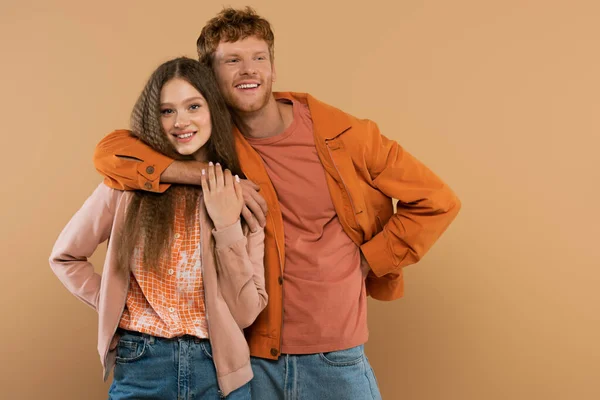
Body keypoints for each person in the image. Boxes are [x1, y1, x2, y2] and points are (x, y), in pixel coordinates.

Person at [93, 7, 462, 399]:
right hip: (251, 357)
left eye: (258, 58)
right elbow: (109, 154)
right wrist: (198, 175)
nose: (248, 70)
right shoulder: (206, 142)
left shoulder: (343, 135)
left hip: (334, 355)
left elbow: (437, 200)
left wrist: (369, 260)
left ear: (272, 67)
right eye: (232, 61)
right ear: (209, 77)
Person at [50, 57, 267, 399]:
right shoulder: (123, 188)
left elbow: (245, 312)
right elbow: (65, 258)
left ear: (214, 109)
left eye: (193, 106)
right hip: (141, 367)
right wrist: (115, 303)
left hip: (220, 373)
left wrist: (227, 226)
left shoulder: (240, 193)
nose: (181, 122)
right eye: (167, 111)